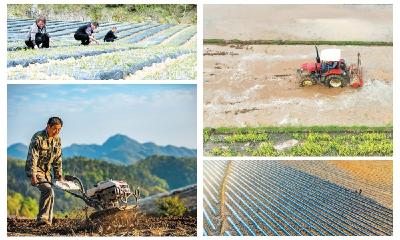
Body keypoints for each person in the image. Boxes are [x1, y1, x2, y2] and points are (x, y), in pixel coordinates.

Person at [25, 117, 64, 226]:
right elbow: (33, 157)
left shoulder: (57, 140)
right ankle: (42, 220)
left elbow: (58, 159)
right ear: (48, 127)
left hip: (47, 172)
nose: (57, 131)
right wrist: (33, 175)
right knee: (48, 190)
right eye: (55, 129)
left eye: (59, 129)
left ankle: (48, 221)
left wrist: (59, 176)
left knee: (51, 193)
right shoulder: (38, 138)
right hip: (36, 170)